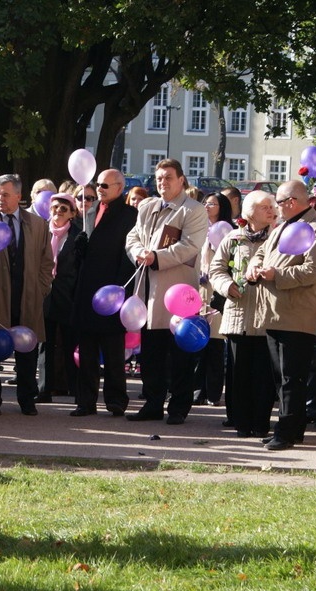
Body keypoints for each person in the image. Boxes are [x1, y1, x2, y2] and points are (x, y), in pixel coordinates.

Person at [245, 179, 316, 450]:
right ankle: (291, 428)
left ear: (292, 202)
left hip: (297, 315)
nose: (276, 208)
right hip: (273, 311)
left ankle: (287, 430)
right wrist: (254, 267)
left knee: (292, 377)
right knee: (280, 375)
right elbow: (262, 254)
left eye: (278, 203)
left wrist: (276, 275)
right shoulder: (282, 227)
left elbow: (315, 271)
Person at [125, 159, 208, 424]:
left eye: (168, 177)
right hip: (148, 289)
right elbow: (133, 237)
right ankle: (152, 402)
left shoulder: (193, 210)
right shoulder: (147, 206)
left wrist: (156, 257)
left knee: (180, 353)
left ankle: (179, 407)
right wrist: (138, 252)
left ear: (181, 180)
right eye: (159, 178)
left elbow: (190, 246)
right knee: (151, 353)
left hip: (178, 293)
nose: (163, 182)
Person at [0, 174, 54, 416]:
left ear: (19, 196)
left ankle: (27, 401)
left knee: (27, 350)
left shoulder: (38, 224)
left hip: (26, 296)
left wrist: (39, 289)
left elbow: (46, 262)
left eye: (5, 194)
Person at [209, 191, 277, 437]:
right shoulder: (234, 238)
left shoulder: (278, 238)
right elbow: (216, 269)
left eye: (272, 206)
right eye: (264, 207)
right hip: (237, 316)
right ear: (249, 213)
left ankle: (261, 423)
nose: (271, 210)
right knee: (239, 373)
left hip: (267, 316)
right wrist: (227, 286)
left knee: (263, 375)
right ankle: (240, 422)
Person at [71, 169, 137, 417]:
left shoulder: (130, 215)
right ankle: (85, 401)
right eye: (98, 184)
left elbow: (128, 256)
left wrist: (120, 290)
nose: (99, 189)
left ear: (120, 188)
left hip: (112, 291)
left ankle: (116, 400)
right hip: (88, 290)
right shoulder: (91, 210)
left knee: (113, 352)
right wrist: (81, 249)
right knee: (86, 351)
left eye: (105, 186)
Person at [37, 193, 81, 403]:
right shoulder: (41, 231)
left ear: (72, 213)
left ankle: (74, 388)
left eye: (64, 208)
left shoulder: (78, 236)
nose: (58, 212)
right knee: (45, 344)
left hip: (68, 297)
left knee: (70, 343)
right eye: (54, 207)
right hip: (44, 296)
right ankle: (44, 389)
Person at [193, 192, 235, 407]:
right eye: (205, 203)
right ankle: (198, 389)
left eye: (212, 203)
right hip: (198, 292)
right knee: (198, 342)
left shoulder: (228, 231)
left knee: (215, 345)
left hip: (217, 293)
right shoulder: (199, 227)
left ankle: (213, 391)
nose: (207, 206)